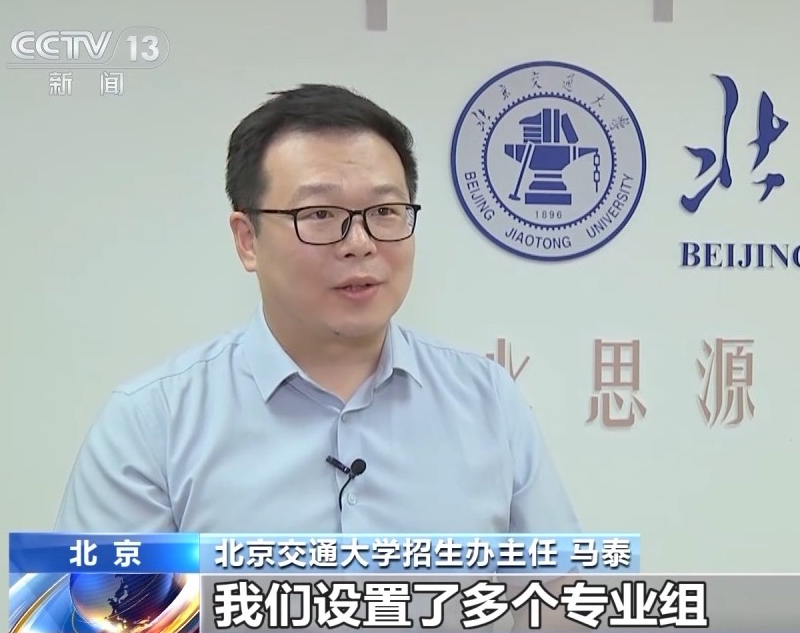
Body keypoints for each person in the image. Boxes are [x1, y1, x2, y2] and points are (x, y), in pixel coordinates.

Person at [55, 84, 580, 536]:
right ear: (247, 239)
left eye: (385, 211)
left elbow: (568, 601)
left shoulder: (488, 403)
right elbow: (101, 609)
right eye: (320, 214)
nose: (360, 243)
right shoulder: (152, 422)